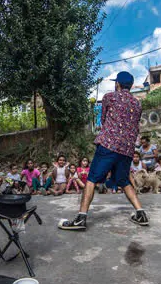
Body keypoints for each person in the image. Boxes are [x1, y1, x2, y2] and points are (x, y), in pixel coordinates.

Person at [58, 71, 149, 230]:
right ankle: (141, 213)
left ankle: (81, 218)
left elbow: (104, 120)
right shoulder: (137, 103)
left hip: (109, 144)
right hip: (127, 149)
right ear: (131, 85)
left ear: (118, 84)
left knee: (92, 179)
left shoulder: (109, 97)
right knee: (124, 180)